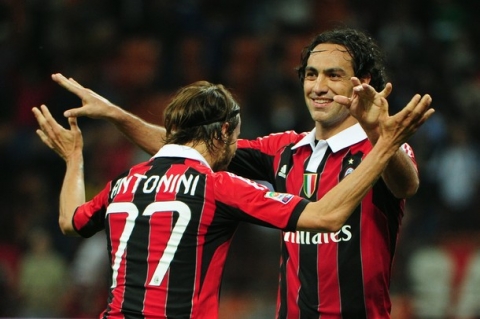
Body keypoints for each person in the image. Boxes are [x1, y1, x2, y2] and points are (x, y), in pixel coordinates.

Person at [44, 27, 431, 318]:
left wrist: (383, 136)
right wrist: (116, 114)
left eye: (333, 75)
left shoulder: (383, 148)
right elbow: (188, 143)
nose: (318, 86)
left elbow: (406, 183)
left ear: (361, 84)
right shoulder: (283, 150)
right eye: (311, 74)